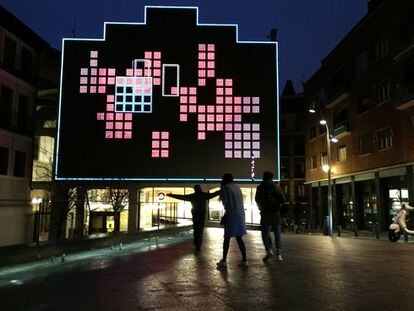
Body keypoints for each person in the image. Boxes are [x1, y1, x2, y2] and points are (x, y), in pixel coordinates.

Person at [167, 185, 220, 251]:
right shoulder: (204, 195)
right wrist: (221, 191)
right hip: (202, 215)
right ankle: (198, 244)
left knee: (196, 229)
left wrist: (172, 195)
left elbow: (182, 197)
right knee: (200, 230)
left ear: (195, 189)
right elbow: (213, 194)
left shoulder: (192, 196)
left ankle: (197, 243)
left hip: (195, 215)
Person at [216, 173, 248, 267]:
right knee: (239, 237)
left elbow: (226, 203)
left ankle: (224, 260)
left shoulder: (225, 188)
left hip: (231, 215)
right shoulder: (237, 188)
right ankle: (245, 260)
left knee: (227, 238)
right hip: (240, 215)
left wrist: (225, 215)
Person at [255, 171, 285, 262]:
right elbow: (282, 199)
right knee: (277, 233)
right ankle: (279, 254)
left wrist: (261, 207)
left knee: (265, 233)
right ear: (272, 178)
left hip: (265, 213)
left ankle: (268, 250)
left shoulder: (260, 187)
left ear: (263, 177)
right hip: (275, 213)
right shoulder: (275, 187)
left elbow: (257, 199)